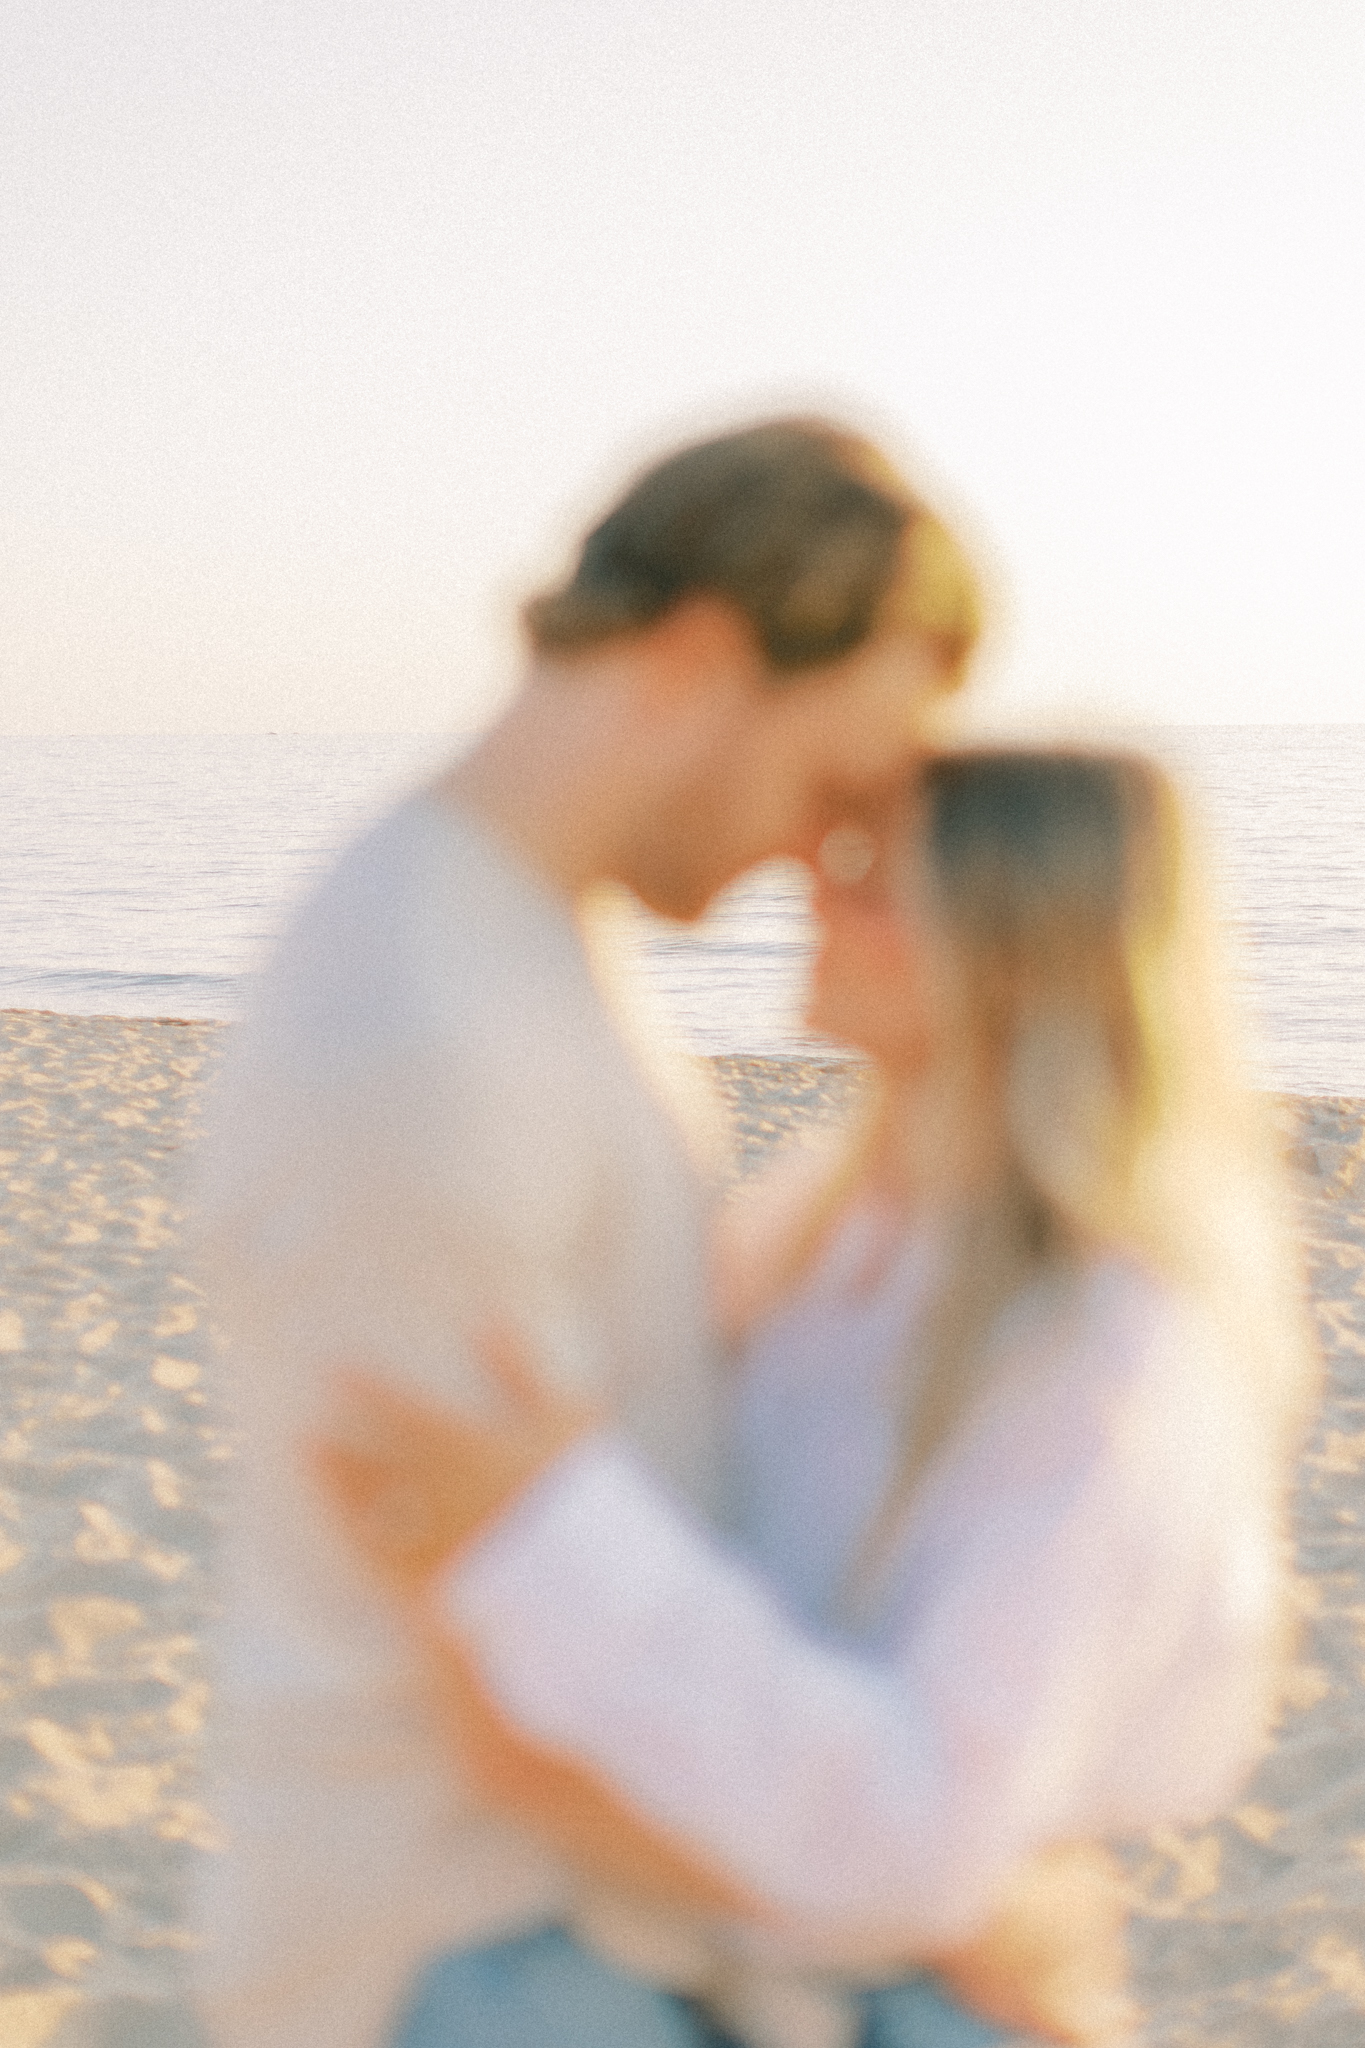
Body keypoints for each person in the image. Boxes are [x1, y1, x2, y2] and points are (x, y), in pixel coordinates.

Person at [313, 749, 1315, 2048]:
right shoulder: (811, 1233)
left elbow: (918, 1834)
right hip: (739, 1945)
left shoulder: (1107, 1357)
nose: (811, 893)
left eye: (873, 884)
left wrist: (549, 1526)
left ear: (1008, 953)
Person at [191, 417, 985, 2048]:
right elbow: (495, 1643)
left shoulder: (538, 940)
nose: (819, 853)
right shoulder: (421, 1034)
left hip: (589, 1916)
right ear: (700, 657)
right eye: (829, 782)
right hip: (459, 1951)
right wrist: (908, 1913)